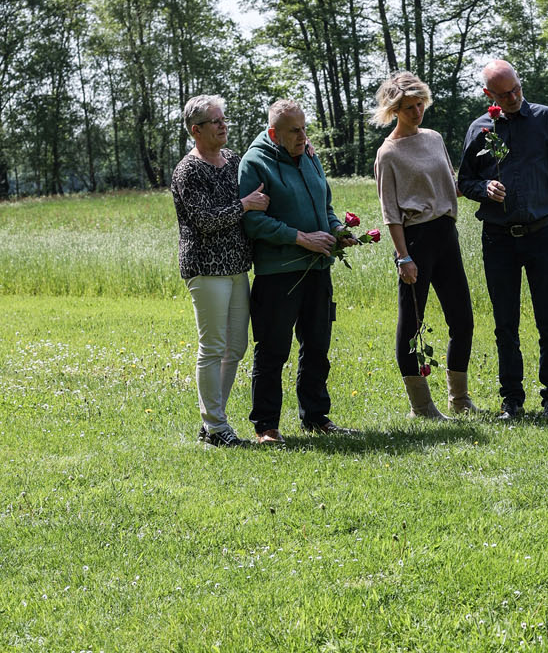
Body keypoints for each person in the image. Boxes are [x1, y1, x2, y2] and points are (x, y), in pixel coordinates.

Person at [457, 59, 548, 420]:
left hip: (543, 233)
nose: (512, 98)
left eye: (516, 90)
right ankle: (511, 400)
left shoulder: (546, 118)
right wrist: (483, 187)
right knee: (505, 323)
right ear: (488, 95)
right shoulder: (480, 129)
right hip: (499, 239)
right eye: (503, 94)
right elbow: (464, 181)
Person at [237, 99, 356, 444]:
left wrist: (337, 230)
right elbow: (253, 222)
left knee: (317, 346)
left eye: (305, 128)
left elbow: (325, 206)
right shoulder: (255, 163)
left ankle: (316, 417)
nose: (303, 136)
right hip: (279, 273)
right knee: (273, 350)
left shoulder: (309, 156)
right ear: (274, 133)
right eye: (294, 131)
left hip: (318, 267)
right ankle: (266, 426)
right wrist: (301, 238)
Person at [372, 71, 477, 420]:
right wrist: (404, 257)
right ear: (394, 110)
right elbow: (390, 212)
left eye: (420, 104)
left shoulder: (434, 138)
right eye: (408, 107)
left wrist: (485, 177)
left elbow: (451, 184)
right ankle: (421, 406)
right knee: (411, 325)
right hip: (415, 241)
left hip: (446, 234)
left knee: (462, 320)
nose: (417, 112)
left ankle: (459, 399)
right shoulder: (388, 153)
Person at [171, 94, 270, 448]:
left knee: (236, 346)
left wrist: (304, 151)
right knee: (213, 346)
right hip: (206, 267)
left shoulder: (232, 160)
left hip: (237, 266)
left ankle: (212, 422)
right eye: (215, 121)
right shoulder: (188, 171)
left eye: (223, 119)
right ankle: (215, 426)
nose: (223, 125)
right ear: (196, 130)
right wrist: (244, 205)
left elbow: (264, 164)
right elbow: (204, 221)